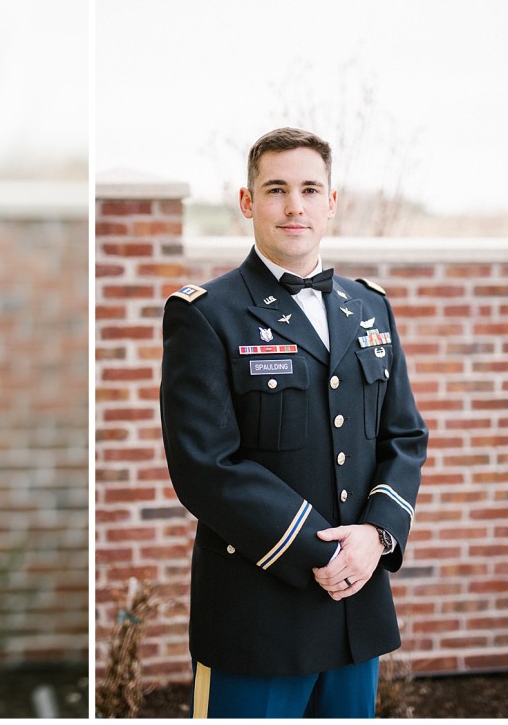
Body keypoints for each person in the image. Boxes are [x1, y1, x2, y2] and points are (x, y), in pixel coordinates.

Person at [160, 127, 427, 718]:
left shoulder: (370, 307)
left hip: (356, 611)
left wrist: (375, 535)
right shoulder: (206, 315)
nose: (294, 205)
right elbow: (206, 466)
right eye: (276, 189)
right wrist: (320, 551)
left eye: (310, 189)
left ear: (332, 202)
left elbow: (404, 436)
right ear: (247, 201)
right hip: (257, 617)